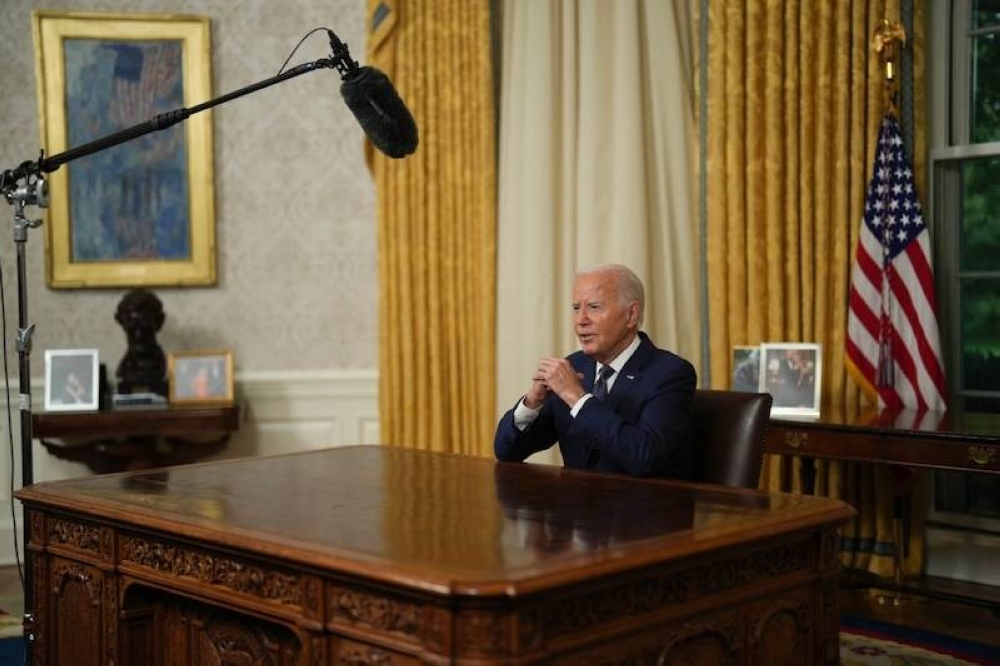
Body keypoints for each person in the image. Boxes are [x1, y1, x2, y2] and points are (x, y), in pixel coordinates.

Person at [494, 264, 697, 479]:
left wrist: (578, 399)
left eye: (594, 307)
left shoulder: (671, 373)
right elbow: (507, 452)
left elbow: (643, 456)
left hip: (641, 508)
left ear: (631, 314)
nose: (581, 320)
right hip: (577, 509)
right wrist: (531, 402)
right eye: (575, 308)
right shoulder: (574, 367)